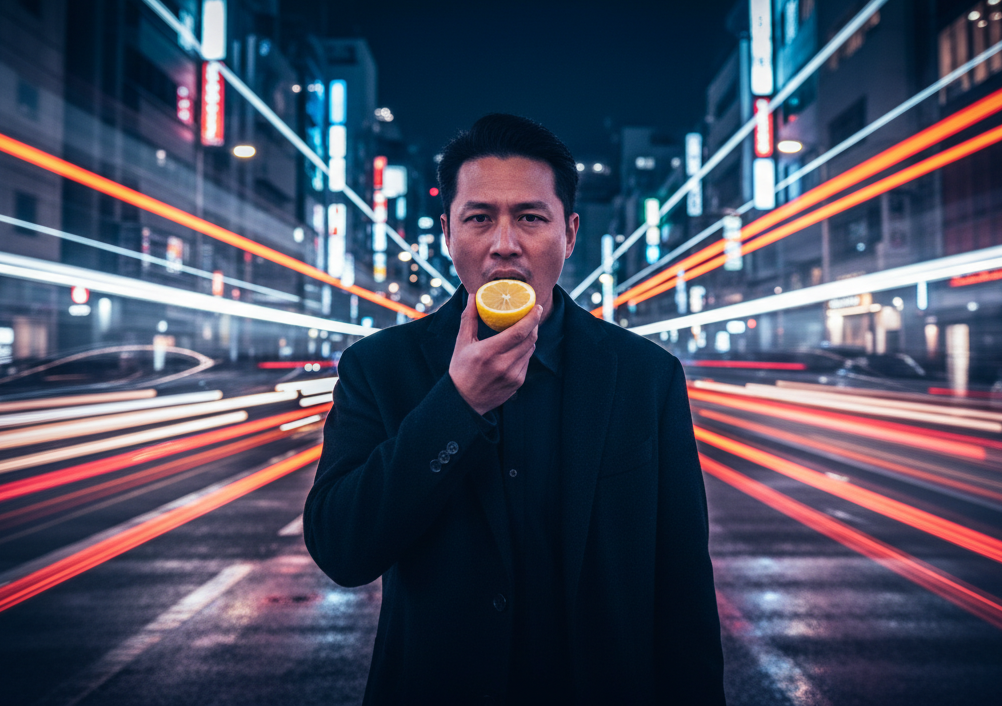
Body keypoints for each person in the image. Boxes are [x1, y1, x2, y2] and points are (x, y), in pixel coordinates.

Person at [304, 113, 724, 705]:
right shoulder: (380, 367)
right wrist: (456, 404)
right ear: (448, 232)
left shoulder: (644, 377)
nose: (505, 244)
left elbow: (683, 590)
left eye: (530, 217)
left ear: (570, 233)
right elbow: (342, 548)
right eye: (480, 219)